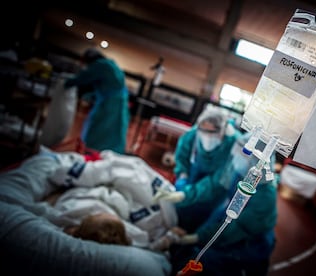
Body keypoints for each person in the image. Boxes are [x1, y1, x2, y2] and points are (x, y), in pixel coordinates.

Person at [156, 132, 279, 275]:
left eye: (243, 152)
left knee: (203, 261)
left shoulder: (265, 198)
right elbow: (214, 185)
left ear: (257, 159)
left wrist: (198, 237)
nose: (237, 155)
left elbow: (235, 228)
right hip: (227, 220)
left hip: (247, 245)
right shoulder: (240, 171)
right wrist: (184, 194)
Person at [47, 149, 180, 252]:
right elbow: (149, 245)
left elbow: (60, 179)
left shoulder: (68, 213)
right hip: (122, 202)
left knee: (124, 171)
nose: (111, 230)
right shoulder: (128, 233)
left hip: (101, 195)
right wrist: (169, 237)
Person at [168, 106, 241, 232]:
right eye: (203, 132)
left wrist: (187, 194)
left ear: (223, 130)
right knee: (176, 217)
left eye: (212, 133)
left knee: (196, 224)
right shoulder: (194, 133)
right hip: (191, 179)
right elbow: (182, 156)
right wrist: (182, 177)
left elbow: (218, 180)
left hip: (213, 193)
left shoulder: (234, 145)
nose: (206, 137)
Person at [64, 48, 130, 154]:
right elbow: (109, 86)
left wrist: (65, 82)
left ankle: (94, 152)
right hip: (119, 104)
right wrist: (92, 95)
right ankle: (108, 154)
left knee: (101, 129)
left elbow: (82, 78)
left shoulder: (100, 65)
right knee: (115, 132)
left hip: (110, 106)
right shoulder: (111, 65)